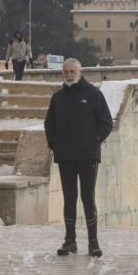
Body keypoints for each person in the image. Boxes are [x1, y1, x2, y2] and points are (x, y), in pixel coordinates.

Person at [43, 58, 113, 257]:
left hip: (88, 156)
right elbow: (49, 124)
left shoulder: (93, 94)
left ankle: (93, 243)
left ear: (80, 72)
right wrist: (54, 144)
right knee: (69, 198)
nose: (68, 75)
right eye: (65, 72)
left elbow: (106, 122)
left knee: (87, 198)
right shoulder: (58, 98)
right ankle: (69, 241)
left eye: (72, 72)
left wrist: (94, 140)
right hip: (66, 157)